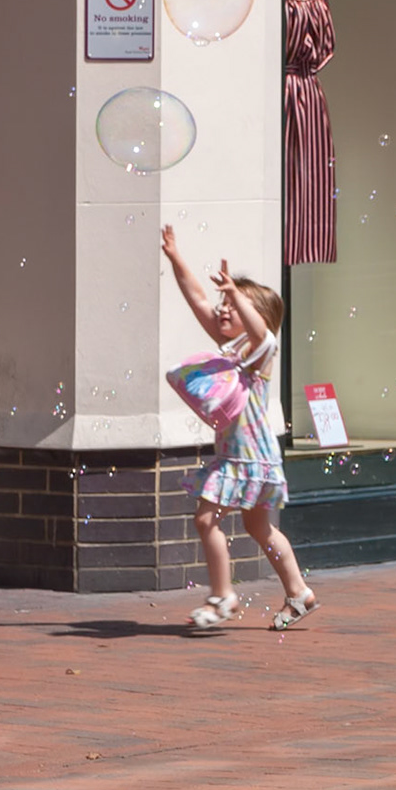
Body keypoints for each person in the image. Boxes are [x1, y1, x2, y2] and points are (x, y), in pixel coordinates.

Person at [162, 225, 320, 631]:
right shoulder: (230, 351)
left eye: (233, 305)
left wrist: (236, 292)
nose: (223, 309)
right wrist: (175, 256)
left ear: (257, 317)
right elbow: (197, 298)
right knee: (257, 526)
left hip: (248, 457)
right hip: (245, 455)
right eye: (224, 303)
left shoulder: (260, 355)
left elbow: (264, 333)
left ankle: (223, 597)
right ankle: (299, 592)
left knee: (204, 519)